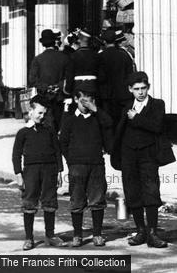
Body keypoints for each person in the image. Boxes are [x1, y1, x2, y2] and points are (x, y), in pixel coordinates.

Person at [111, 71, 168, 248]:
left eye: (144, 88)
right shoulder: (125, 106)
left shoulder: (157, 104)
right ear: (130, 89)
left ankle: (152, 233)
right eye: (136, 89)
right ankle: (140, 231)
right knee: (132, 192)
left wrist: (137, 118)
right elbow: (117, 129)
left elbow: (157, 126)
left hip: (148, 155)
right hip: (128, 155)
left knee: (151, 191)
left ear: (148, 87)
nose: (141, 92)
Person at [60, 87, 113, 247]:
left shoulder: (98, 118)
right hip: (77, 165)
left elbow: (109, 124)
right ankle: (77, 235)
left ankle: (97, 234)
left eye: (90, 100)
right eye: (84, 100)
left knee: (97, 199)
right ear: (76, 100)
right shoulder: (69, 119)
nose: (87, 104)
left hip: (96, 164)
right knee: (77, 199)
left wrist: (96, 109)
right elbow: (63, 142)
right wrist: (71, 161)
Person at [12, 95, 65, 250]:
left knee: (50, 202)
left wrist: (60, 172)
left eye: (44, 113)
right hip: (31, 171)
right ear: (31, 110)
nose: (42, 116)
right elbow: (16, 155)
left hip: (50, 170)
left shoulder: (49, 130)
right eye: (39, 113)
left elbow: (57, 151)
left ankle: (50, 235)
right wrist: (18, 174)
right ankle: (29, 238)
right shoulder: (23, 132)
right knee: (29, 202)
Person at [28, 29, 70, 131]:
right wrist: (58, 86)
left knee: (45, 125)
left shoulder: (37, 59)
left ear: (43, 44)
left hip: (43, 97)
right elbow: (68, 77)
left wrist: (47, 87)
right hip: (59, 97)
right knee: (58, 124)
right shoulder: (64, 58)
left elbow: (32, 80)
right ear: (54, 41)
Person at [98, 29, 134, 125]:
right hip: (123, 95)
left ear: (104, 41)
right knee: (121, 124)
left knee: (108, 124)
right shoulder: (125, 55)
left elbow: (100, 77)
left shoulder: (100, 56)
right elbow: (130, 75)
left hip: (106, 97)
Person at [65, 28, 100, 97]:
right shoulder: (96, 55)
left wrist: (68, 89)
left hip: (78, 86)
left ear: (79, 40)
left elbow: (70, 75)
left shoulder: (73, 56)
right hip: (93, 86)